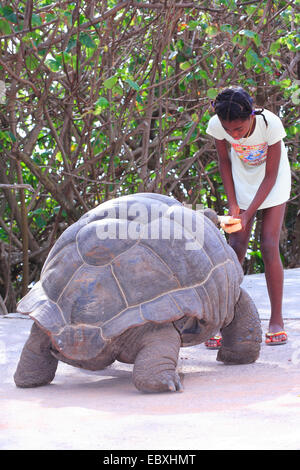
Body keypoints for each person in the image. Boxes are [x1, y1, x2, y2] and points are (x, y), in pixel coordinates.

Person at [205, 87, 291, 347]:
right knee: (236, 248)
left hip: (272, 183)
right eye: (228, 130)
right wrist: (233, 205)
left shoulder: (270, 125)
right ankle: (222, 321)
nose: (234, 135)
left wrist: (248, 213)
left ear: (251, 116)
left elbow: (271, 175)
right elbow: (224, 162)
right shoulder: (218, 124)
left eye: (239, 129)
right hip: (242, 181)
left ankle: (276, 320)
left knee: (267, 245)